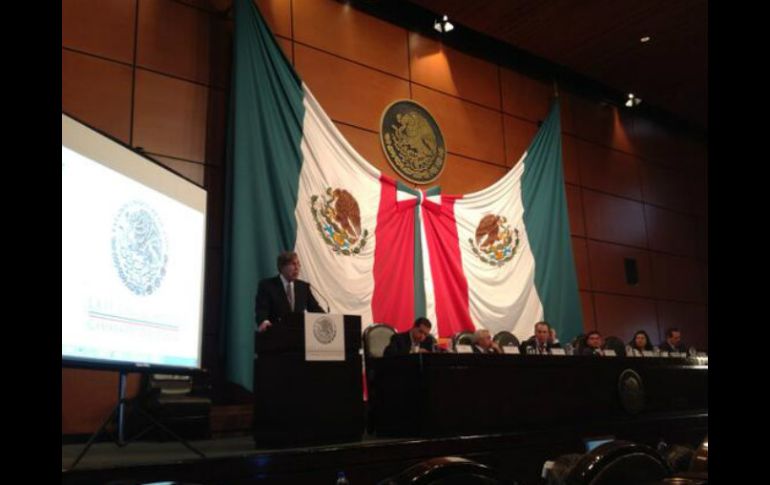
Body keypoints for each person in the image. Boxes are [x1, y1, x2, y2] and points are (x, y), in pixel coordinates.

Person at [254, 251, 323, 332]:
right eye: (293, 264)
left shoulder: (303, 287)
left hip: (298, 336)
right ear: (282, 267)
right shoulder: (267, 286)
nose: (297, 268)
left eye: (298, 264)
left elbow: (315, 308)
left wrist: (328, 319)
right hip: (275, 334)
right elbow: (262, 309)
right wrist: (264, 321)